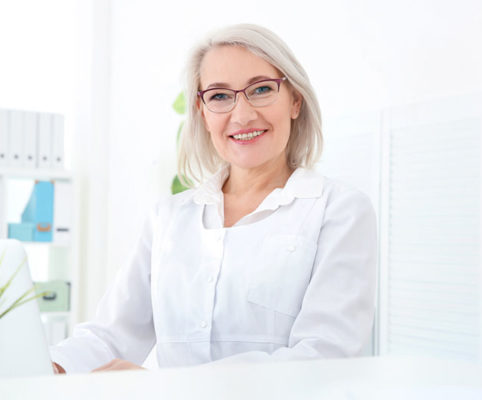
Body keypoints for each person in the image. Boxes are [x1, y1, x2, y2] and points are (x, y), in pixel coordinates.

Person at [50, 23, 377, 374]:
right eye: (220, 96)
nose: (242, 115)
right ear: (203, 112)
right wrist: (49, 367)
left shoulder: (339, 210)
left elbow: (323, 356)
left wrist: (168, 390)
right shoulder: (169, 218)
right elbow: (110, 335)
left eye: (262, 89)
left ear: (295, 101)